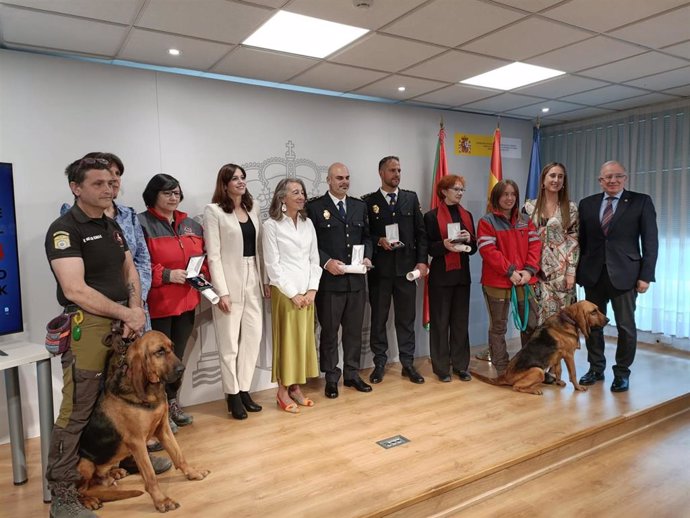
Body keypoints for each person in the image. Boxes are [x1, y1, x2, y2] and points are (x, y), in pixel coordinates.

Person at [44, 157, 146, 518]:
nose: (108, 188)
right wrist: (125, 313)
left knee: (120, 401)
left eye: (111, 183)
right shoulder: (64, 229)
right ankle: (62, 491)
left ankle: (117, 462)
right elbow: (75, 290)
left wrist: (134, 307)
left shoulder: (112, 225)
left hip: (123, 324)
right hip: (89, 326)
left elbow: (128, 268)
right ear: (76, 187)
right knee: (78, 409)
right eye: (98, 183)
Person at [576, 160, 658, 393]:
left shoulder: (641, 201)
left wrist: (646, 276)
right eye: (607, 177)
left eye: (617, 176)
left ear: (625, 178)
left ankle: (622, 373)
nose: (612, 181)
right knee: (592, 326)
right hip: (593, 275)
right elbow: (582, 242)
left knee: (626, 327)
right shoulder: (587, 204)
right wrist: (579, 272)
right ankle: (596, 369)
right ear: (600, 181)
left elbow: (650, 241)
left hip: (626, 276)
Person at [138, 174, 206, 430]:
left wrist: (202, 275)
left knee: (176, 362)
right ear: (153, 195)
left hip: (187, 303)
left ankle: (172, 403)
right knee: (156, 365)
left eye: (176, 192)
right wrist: (166, 274)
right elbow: (138, 264)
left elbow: (203, 258)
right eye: (167, 193)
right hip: (158, 306)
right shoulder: (141, 223)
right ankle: (157, 413)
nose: (173, 197)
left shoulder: (190, 224)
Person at [204, 164, 268, 420]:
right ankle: (231, 395)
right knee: (229, 343)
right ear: (225, 184)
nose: (241, 182)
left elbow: (260, 248)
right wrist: (222, 292)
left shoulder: (253, 208)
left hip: (253, 274)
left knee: (253, 338)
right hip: (229, 281)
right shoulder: (214, 211)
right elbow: (214, 255)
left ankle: (244, 389)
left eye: (243, 177)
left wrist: (264, 279)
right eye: (234, 179)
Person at [306, 162, 373, 399]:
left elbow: (367, 236)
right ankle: (331, 378)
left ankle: (352, 374)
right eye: (339, 178)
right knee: (330, 332)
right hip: (330, 284)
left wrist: (367, 256)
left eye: (346, 177)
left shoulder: (358, 206)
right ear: (328, 180)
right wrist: (326, 262)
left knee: (354, 331)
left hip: (356, 283)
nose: (344, 181)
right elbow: (310, 243)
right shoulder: (315, 207)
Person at [363, 156, 428, 384]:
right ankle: (379, 362)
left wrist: (422, 262)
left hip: (406, 271)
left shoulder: (410, 199)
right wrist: (379, 240)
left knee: (405, 319)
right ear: (381, 173)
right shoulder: (369, 202)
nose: (397, 174)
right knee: (379, 319)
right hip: (380, 272)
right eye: (392, 170)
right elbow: (365, 235)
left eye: (399, 170)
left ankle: (407, 363)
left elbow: (421, 233)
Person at [262, 178, 322, 413]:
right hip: (286, 293)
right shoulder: (271, 225)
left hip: (307, 293)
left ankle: (296, 387)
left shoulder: (308, 224)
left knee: (302, 342)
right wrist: (293, 293)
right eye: (295, 192)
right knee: (287, 343)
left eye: (302, 192)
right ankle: (282, 391)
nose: (301, 196)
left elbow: (314, 259)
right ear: (282, 198)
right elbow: (272, 266)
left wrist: (312, 290)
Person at [477, 179, 541, 374]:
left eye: (513, 194)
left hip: (524, 280)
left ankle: (529, 366)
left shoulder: (525, 220)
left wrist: (528, 271)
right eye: (505, 194)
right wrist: (510, 271)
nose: (510, 198)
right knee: (498, 328)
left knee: (530, 325)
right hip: (497, 282)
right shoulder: (486, 222)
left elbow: (535, 246)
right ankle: (503, 369)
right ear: (497, 197)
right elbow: (488, 250)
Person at [424, 174, 477, 382]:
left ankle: (461, 365)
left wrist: (468, 240)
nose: (460, 193)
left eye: (462, 189)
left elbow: (473, 248)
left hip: (462, 276)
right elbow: (427, 247)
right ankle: (441, 368)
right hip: (441, 277)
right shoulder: (431, 216)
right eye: (456, 189)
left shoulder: (467, 215)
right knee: (440, 322)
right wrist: (443, 245)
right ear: (444, 191)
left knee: (460, 323)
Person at [522, 162, 580, 324]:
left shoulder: (571, 208)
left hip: (560, 273)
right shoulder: (528, 207)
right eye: (552, 175)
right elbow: (521, 240)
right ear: (542, 181)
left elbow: (573, 242)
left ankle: (561, 350)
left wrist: (571, 272)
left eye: (560, 177)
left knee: (562, 322)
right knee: (535, 320)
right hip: (534, 270)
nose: (556, 180)